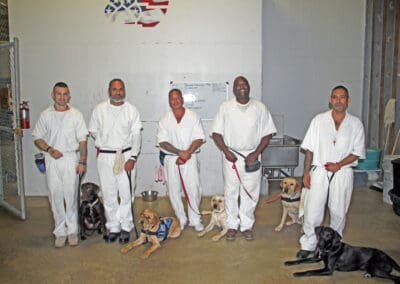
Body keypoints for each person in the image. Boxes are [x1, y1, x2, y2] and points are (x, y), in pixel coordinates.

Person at [296, 85, 365, 259]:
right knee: (313, 210)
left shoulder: (355, 124)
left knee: (338, 211)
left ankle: (334, 247)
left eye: (342, 97)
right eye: (335, 97)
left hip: (343, 172)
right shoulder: (318, 120)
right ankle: (309, 245)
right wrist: (306, 173)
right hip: (319, 170)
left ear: (348, 100)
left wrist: (339, 164)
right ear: (330, 100)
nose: (339, 100)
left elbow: (357, 152)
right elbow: (310, 149)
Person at [211, 76, 276, 241]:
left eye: (245, 85)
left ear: (249, 87)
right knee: (231, 192)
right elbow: (216, 133)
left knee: (251, 193)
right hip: (231, 156)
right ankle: (232, 225)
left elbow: (268, 133)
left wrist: (256, 153)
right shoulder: (225, 107)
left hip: (253, 155)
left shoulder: (259, 107)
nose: (242, 88)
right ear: (234, 89)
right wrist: (226, 151)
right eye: (238, 85)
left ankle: (247, 225)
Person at [32, 82, 88, 248]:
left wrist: (82, 162)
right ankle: (60, 231)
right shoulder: (45, 115)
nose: (62, 97)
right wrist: (49, 149)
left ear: (69, 96)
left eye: (65, 94)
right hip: (52, 159)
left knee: (70, 196)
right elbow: (37, 137)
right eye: (58, 94)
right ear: (53, 95)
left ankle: (72, 231)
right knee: (55, 195)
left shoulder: (76, 115)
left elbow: (83, 141)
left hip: (70, 158)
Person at [88, 78, 142, 244]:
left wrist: (133, 157)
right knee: (109, 192)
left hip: (125, 156)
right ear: (109, 91)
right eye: (114, 89)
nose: (117, 92)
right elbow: (93, 132)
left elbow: (136, 136)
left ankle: (126, 226)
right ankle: (113, 226)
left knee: (126, 193)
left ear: (124, 91)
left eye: (120, 89)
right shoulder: (99, 110)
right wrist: (106, 146)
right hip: (105, 156)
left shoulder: (131, 110)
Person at [157, 89, 205, 231]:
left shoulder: (193, 116)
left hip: (190, 157)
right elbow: (162, 142)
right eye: (172, 98)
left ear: (182, 100)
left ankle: (195, 219)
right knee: (173, 190)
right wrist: (179, 152)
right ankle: (181, 218)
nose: (175, 101)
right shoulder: (164, 119)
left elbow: (199, 138)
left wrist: (187, 153)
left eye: (177, 98)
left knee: (193, 188)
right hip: (171, 159)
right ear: (169, 101)